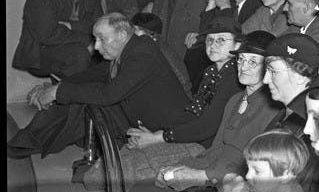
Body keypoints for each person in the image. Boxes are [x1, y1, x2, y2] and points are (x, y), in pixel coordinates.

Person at [126, 31, 281, 192]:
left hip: (235, 186)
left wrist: (201, 175)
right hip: (213, 173)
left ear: (269, 68)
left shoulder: (272, 108)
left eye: (253, 62)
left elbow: (252, 166)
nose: (243, 67)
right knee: (141, 189)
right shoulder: (235, 100)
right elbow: (216, 148)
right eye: (240, 59)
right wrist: (185, 165)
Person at [8, 13, 195, 158]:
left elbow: (109, 95)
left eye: (101, 39)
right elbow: (93, 74)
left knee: (81, 99)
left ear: (122, 35)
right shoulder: (127, 48)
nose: (96, 47)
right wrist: (53, 88)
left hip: (165, 129)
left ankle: (30, 142)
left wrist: (58, 91)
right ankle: (29, 141)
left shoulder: (142, 51)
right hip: (136, 114)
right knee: (78, 95)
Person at [115, 16, 244, 189]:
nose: (213, 45)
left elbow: (207, 126)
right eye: (209, 40)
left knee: (133, 172)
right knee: (126, 158)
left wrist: (158, 138)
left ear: (237, 46)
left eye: (221, 40)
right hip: (197, 139)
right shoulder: (212, 71)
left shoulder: (235, 78)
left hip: (210, 149)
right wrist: (158, 134)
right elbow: (193, 114)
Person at [262, 34, 319, 192]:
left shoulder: (306, 127)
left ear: (299, 75)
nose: (265, 80)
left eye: (273, 71)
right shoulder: (289, 113)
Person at [218, 129, 314, 192]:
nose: (247, 176)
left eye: (257, 171)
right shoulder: (245, 191)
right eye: (248, 168)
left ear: (286, 175)